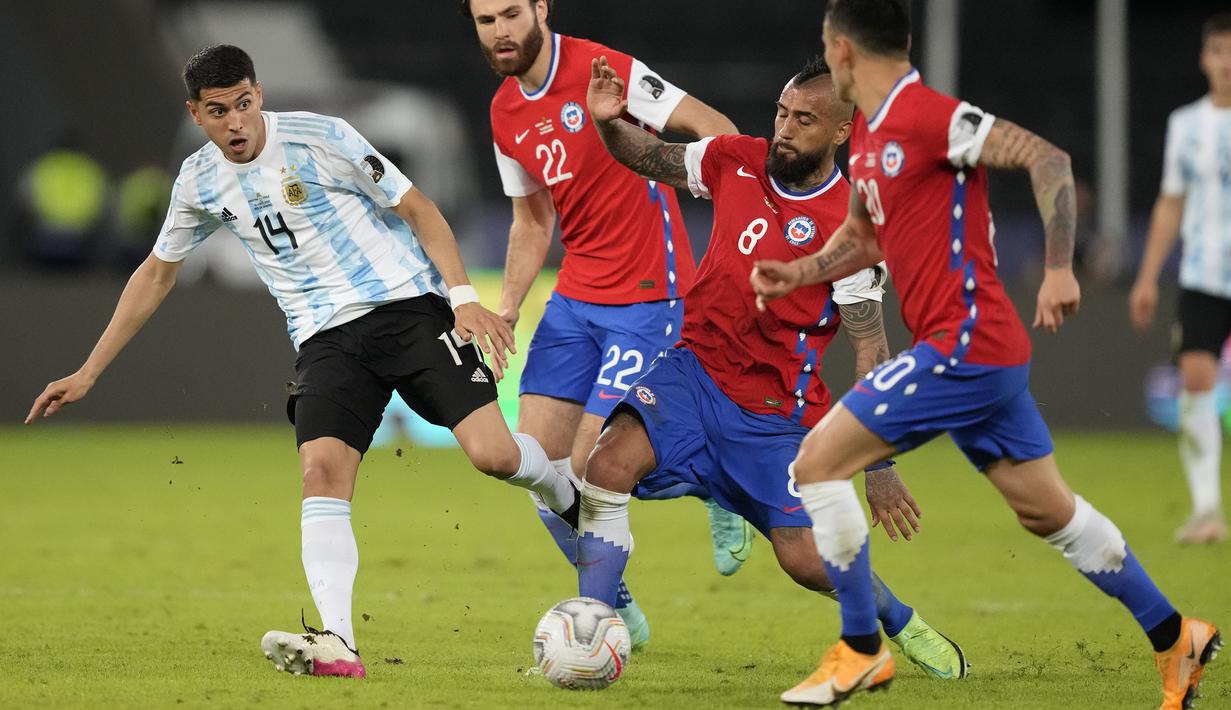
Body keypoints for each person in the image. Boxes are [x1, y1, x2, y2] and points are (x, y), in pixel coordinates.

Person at [24, 44, 582, 680]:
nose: (235, 122)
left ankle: (564, 491)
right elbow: (155, 273)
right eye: (217, 111)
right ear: (196, 113)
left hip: (407, 309)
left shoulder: (324, 137)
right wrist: (88, 371)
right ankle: (339, 642)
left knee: (496, 457)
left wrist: (461, 300)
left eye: (242, 104)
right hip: (326, 340)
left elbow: (419, 211)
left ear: (257, 94)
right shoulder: (198, 180)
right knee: (320, 471)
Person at [750, 2, 1221, 707]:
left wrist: (1060, 265)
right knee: (1049, 514)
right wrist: (797, 271)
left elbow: (1045, 158)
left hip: (963, 344)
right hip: (979, 354)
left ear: (842, 51)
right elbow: (861, 239)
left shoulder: (929, 115)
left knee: (815, 464)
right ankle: (1174, 636)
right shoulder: (874, 137)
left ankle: (859, 650)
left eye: (825, 45)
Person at [575, 55, 967, 679]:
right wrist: (607, 123)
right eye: (782, 112)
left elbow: (870, 349)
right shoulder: (736, 158)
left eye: (804, 120)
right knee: (605, 462)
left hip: (774, 411)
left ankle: (903, 621)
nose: (784, 128)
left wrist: (880, 463)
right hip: (694, 372)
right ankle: (590, 628)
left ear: (842, 133)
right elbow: (648, 158)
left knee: (809, 561)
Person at [463, 0, 753, 647]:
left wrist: (730, 210)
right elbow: (532, 220)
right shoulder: (503, 111)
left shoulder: (605, 70)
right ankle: (615, 602)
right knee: (535, 470)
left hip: (649, 294)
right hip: (573, 300)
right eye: (485, 21)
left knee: (595, 463)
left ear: (540, 8)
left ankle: (714, 481)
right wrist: (507, 306)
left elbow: (713, 126)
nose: (501, 30)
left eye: (511, 12)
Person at [1129, 12, 1231, 545]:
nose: (1227, 62)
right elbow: (1170, 204)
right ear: (1204, 58)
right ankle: (1207, 509)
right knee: (1196, 381)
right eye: (1218, 51)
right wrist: (1147, 276)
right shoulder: (1186, 124)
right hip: (1205, 275)